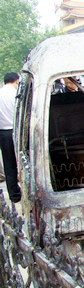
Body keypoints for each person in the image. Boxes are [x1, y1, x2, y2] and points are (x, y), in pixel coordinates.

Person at [0, 73, 22, 203]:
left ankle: (14, 195)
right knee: (24, 161)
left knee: (9, 165)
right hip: (17, 130)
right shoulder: (16, 94)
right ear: (16, 81)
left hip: (3, 133)